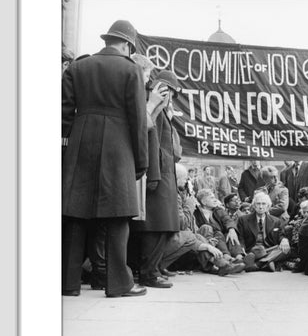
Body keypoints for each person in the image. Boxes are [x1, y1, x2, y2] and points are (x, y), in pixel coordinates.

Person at [62, 19, 148, 298]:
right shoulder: (131, 69)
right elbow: (137, 119)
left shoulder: (77, 67)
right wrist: (141, 160)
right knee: (117, 217)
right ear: (127, 45)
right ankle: (119, 284)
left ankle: (68, 283)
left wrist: (67, 148)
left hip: (80, 143)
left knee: (75, 214)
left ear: (108, 40)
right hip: (118, 147)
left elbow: (63, 114)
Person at [129, 69, 183, 289]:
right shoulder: (156, 111)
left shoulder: (162, 112)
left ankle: (153, 268)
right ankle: (149, 273)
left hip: (164, 174)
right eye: (170, 91)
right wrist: (153, 175)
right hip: (158, 174)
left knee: (162, 225)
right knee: (155, 226)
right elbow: (151, 144)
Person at [236, 191, 290, 272]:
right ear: (254, 205)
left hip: (269, 249)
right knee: (257, 251)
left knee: (286, 249)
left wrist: (284, 240)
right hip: (252, 249)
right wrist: (241, 252)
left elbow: (280, 235)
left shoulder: (276, 221)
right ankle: (267, 263)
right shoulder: (243, 220)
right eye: (258, 204)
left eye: (264, 204)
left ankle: (258, 264)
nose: (261, 207)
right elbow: (240, 238)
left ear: (268, 206)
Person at [194, 188, 242, 257]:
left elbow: (227, 219)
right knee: (217, 233)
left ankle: (239, 257)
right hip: (207, 239)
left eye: (215, 197)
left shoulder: (218, 210)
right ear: (204, 202)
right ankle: (226, 257)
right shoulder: (196, 213)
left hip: (221, 237)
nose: (215, 200)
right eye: (212, 198)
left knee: (230, 234)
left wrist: (231, 229)